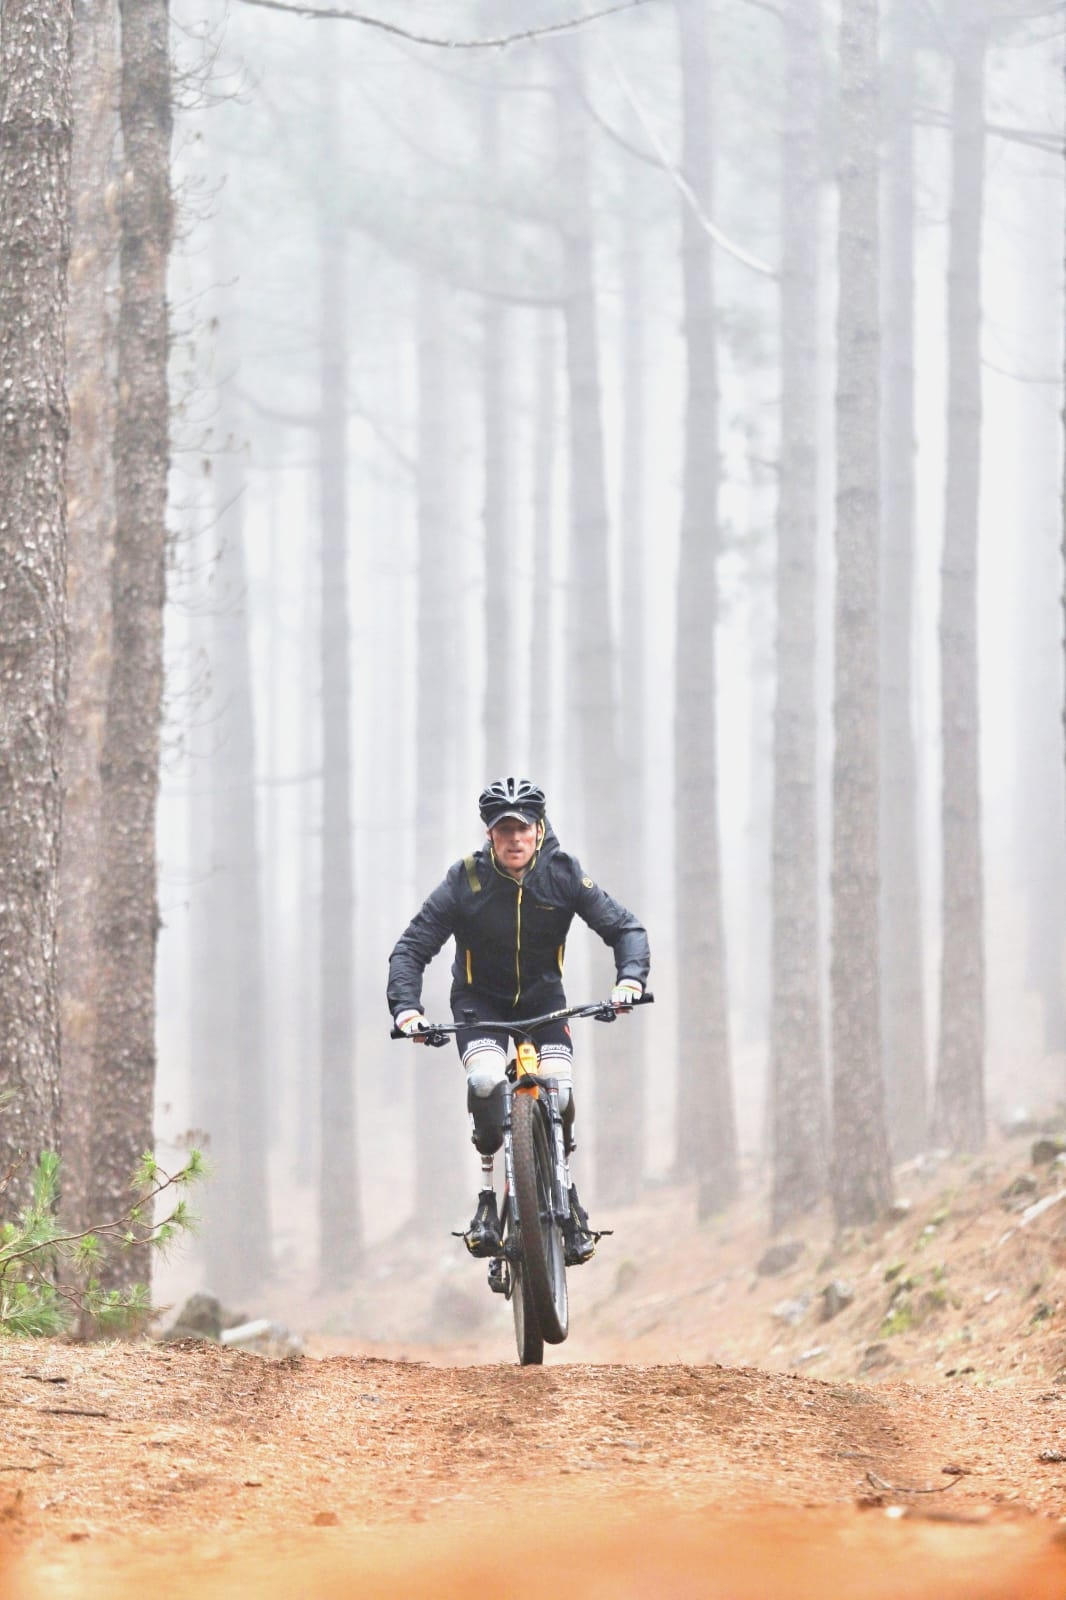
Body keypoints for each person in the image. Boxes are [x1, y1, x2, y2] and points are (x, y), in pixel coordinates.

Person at [387, 776, 651, 1266]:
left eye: (522, 828)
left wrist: (629, 982)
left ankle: (566, 1196)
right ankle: (488, 1199)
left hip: (543, 1001)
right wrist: (407, 1009)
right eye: (502, 829)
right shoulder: (464, 880)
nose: (513, 839)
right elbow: (413, 947)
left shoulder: (564, 873)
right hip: (478, 1005)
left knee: (561, 1090)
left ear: (538, 828)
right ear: (489, 834)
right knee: (486, 1081)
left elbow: (624, 928)